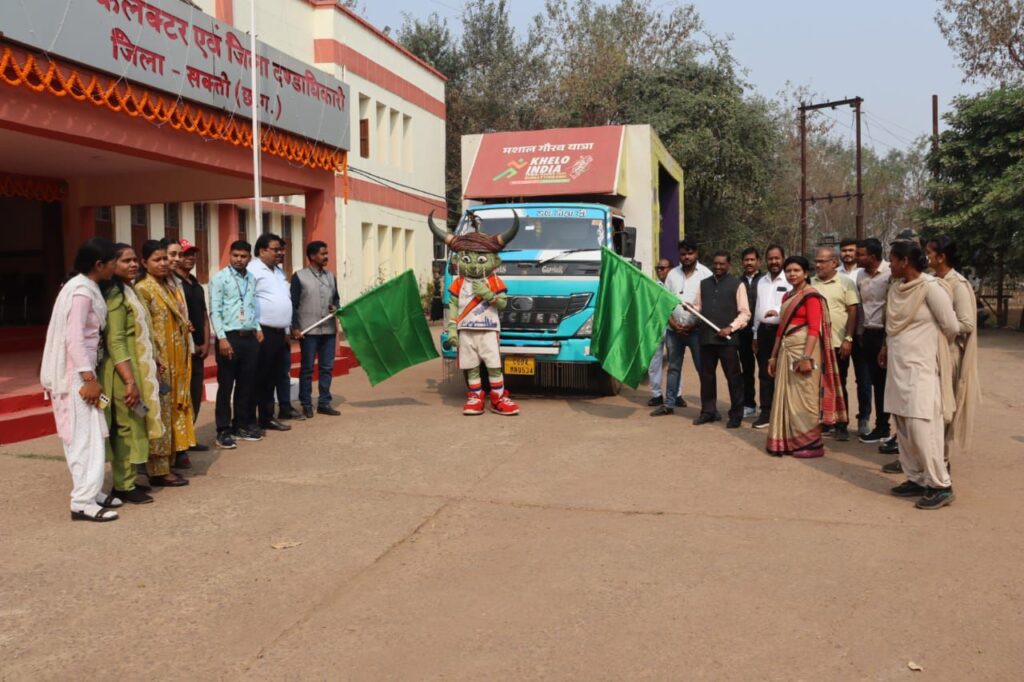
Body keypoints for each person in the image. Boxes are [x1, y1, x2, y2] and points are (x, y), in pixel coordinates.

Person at [40, 239, 122, 521]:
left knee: (92, 433)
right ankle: (82, 502)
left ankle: (91, 491)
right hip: (76, 376)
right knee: (83, 439)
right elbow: (73, 339)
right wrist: (88, 378)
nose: (115, 266)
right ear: (99, 265)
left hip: (83, 372)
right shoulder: (82, 293)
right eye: (113, 261)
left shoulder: (86, 287)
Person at [882, 240, 960, 509]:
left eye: (893, 260)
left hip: (921, 368)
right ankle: (916, 478)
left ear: (905, 261)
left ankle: (941, 485)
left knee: (922, 427)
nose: (890, 265)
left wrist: (926, 348)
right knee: (903, 425)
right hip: (897, 367)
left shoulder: (931, 288)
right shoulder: (896, 289)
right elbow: (890, 327)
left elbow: (951, 326)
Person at [765, 256, 846, 458]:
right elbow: (780, 330)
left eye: (796, 271)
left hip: (804, 351)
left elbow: (813, 329)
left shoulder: (811, 296)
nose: (792, 274)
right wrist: (773, 356)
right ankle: (786, 441)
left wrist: (806, 356)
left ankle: (810, 444)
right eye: (788, 271)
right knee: (786, 396)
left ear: (805, 273)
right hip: (786, 350)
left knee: (805, 396)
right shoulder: (787, 296)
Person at [100, 244, 162, 505]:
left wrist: (155, 360)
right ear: (112, 265)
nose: (134, 264)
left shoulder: (130, 289)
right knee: (125, 426)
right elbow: (116, 341)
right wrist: (128, 380)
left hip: (138, 366)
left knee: (135, 422)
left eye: (135, 260)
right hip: (122, 371)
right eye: (126, 261)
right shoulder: (115, 294)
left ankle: (130, 478)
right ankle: (123, 485)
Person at [135, 240, 195, 486]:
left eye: (164, 259)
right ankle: (158, 470)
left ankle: (167, 464)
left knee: (171, 411)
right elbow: (143, 330)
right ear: (144, 262)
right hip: (158, 362)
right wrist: (154, 360)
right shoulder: (143, 288)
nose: (163, 263)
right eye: (157, 259)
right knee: (158, 413)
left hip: (175, 359)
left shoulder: (168, 286)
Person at [926, 235, 980, 468]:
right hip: (929, 354)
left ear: (941, 257)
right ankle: (923, 455)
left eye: (929, 252)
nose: (926, 256)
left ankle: (942, 460)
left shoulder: (957, 284)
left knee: (943, 408)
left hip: (949, 354)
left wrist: (940, 326)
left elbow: (967, 324)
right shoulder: (931, 281)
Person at [209, 240, 264, 448]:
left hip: (249, 337)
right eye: (235, 255)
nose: (239, 260)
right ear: (230, 255)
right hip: (229, 337)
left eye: (243, 256)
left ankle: (240, 425)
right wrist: (221, 338)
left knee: (246, 384)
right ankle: (223, 430)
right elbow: (215, 310)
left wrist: (257, 327)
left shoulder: (251, 278)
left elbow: (251, 306)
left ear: (249, 257)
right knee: (226, 385)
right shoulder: (220, 278)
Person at [651, 239, 712, 416]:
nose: (686, 257)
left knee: (702, 369)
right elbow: (665, 302)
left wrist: (693, 324)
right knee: (673, 368)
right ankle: (669, 404)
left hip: (697, 331)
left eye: (690, 253)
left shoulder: (705, 274)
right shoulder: (672, 275)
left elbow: (709, 305)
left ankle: (708, 407)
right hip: (674, 331)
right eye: (683, 254)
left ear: (697, 254)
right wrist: (672, 323)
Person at [692, 250, 751, 428]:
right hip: (706, 339)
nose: (718, 267)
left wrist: (731, 327)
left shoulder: (737, 284)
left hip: (728, 341)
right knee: (707, 377)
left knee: (734, 378)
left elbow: (745, 313)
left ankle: (736, 415)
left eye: (721, 264)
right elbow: (698, 306)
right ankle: (708, 412)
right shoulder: (703, 284)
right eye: (715, 263)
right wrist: (691, 308)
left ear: (728, 265)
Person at [811, 246, 859, 441]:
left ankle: (841, 424)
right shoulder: (810, 283)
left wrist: (849, 338)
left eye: (822, 261)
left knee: (838, 384)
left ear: (834, 262)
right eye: (816, 261)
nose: (818, 265)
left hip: (838, 343)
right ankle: (825, 421)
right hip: (816, 344)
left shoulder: (846, 283)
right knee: (817, 384)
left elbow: (853, 311)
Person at [291, 240, 342, 418]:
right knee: (307, 369)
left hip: (328, 330)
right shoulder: (299, 277)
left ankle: (324, 403)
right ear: (312, 256)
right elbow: (293, 304)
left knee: (327, 367)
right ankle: (306, 403)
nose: (326, 256)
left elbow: (336, 299)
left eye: (326, 253)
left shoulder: (331, 276)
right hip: (308, 331)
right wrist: (294, 327)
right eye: (323, 253)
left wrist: (335, 307)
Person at [250, 233, 293, 433]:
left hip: (279, 333)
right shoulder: (252, 270)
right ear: (262, 250)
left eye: (281, 249)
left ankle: (267, 417)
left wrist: (286, 329)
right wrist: (257, 328)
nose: (280, 253)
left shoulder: (279, 272)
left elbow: (284, 299)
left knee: (273, 376)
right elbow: (248, 301)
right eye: (276, 249)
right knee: (260, 376)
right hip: (262, 332)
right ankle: (251, 419)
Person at [173, 239, 211, 461]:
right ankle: (178, 445)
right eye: (185, 254)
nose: (189, 258)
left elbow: (204, 315)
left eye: (192, 255)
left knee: (195, 393)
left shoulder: (195, 284)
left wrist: (206, 342)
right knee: (182, 397)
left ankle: (189, 436)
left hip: (198, 349)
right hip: (180, 349)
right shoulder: (173, 285)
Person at [855, 238, 892, 443]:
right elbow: (861, 306)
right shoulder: (860, 275)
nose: (856, 257)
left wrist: (886, 341)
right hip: (868, 335)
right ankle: (882, 427)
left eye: (860, 254)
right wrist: (860, 332)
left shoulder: (890, 273)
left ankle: (888, 428)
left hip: (886, 335)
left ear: (872, 256)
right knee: (875, 382)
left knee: (888, 383)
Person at [751, 245, 791, 429]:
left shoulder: (790, 279)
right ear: (765, 260)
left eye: (777, 258)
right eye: (770, 258)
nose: (774, 262)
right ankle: (766, 413)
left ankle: (784, 413)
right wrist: (755, 334)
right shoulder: (761, 281)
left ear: (783, 258)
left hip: (783, 332)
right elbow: (758, 308)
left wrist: (777, 311)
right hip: (763, 333)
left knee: (784, 373)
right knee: (765, 373)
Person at [738, 247, 764, 419]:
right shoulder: (737, 282)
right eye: (746, 260)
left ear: (758, 262)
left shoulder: (765, 281)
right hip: (743, 332)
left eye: (752, 260)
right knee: (747, 370)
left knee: (765, 371)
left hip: (762, 333)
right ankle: (749, 404)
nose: (749, 263)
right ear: (742, 262)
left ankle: (767, 405)